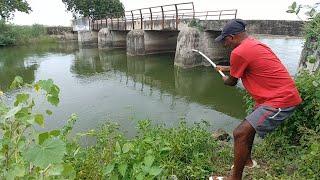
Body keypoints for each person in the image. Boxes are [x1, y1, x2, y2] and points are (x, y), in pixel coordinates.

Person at [209, 19, 302, 180]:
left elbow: (231, 82)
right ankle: (248, 162)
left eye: (224, 40)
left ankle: (234, 178)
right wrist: (224, 68)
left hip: (280, 100)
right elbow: (245, 65)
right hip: (272, 97)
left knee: (239, 133)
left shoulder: (238, 52)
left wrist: (224, 78)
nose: (224, 44)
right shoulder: (254, 45)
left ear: (231, 37)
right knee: (248, 130)